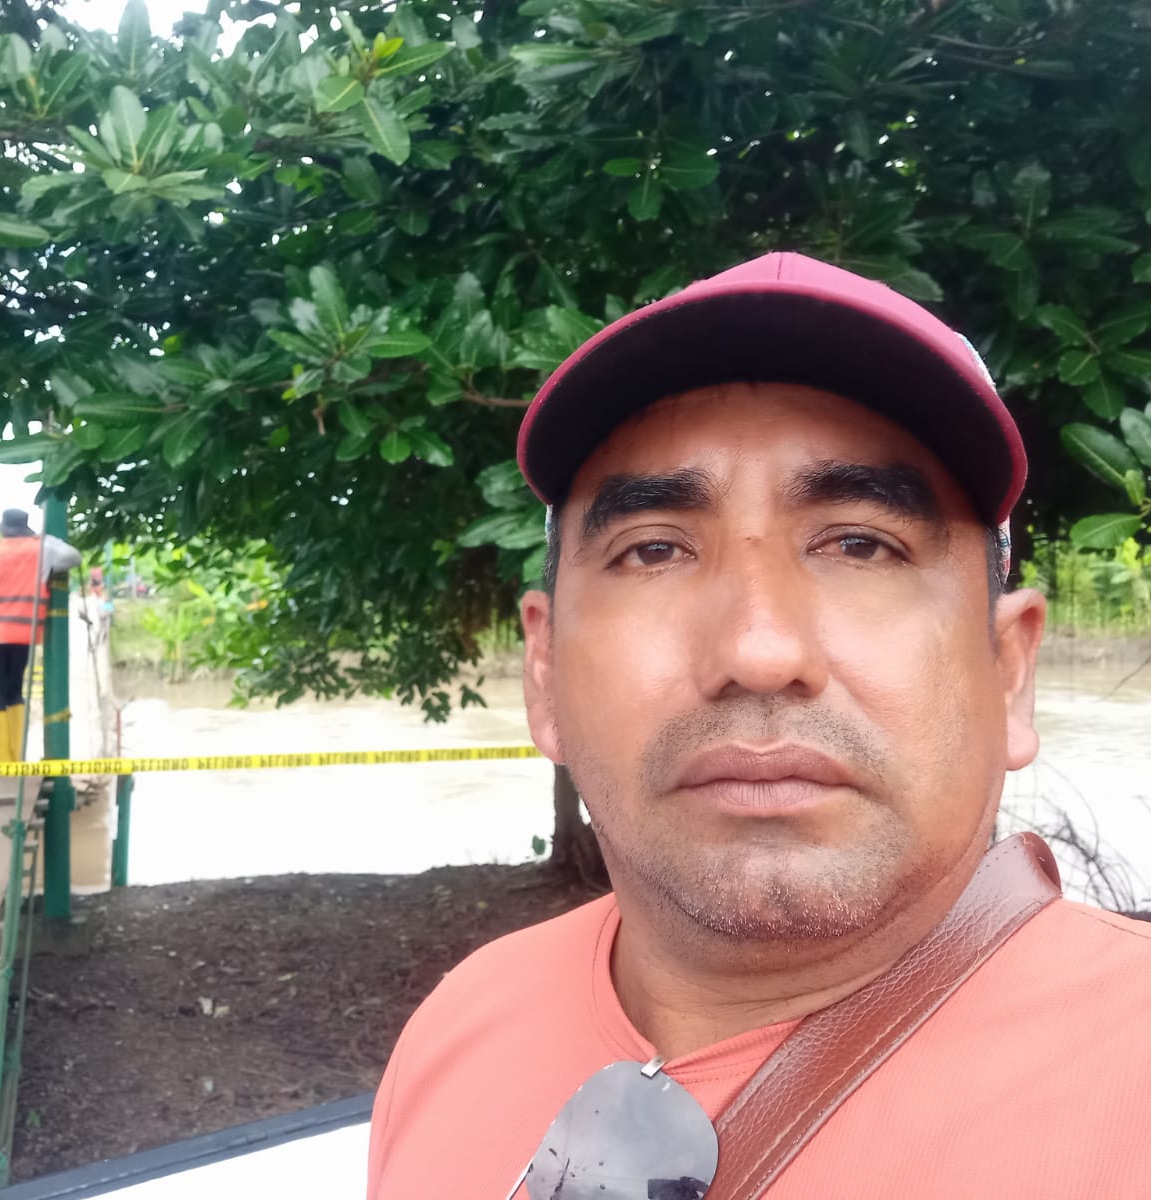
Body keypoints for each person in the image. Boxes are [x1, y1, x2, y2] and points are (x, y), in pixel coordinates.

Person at [367, 254, 1151, 1199]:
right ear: (545, 673)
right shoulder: (457, 1030)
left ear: (1009, 672)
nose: (759, 648)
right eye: (653, 550)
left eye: (861, 544)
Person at [0, 508, 82, 762]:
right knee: (14, 691)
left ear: (3, 530)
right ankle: (18, 757)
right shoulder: (42, 548)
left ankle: (4, 760)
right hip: (24, 634)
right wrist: (46, 538)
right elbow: (74, 557)